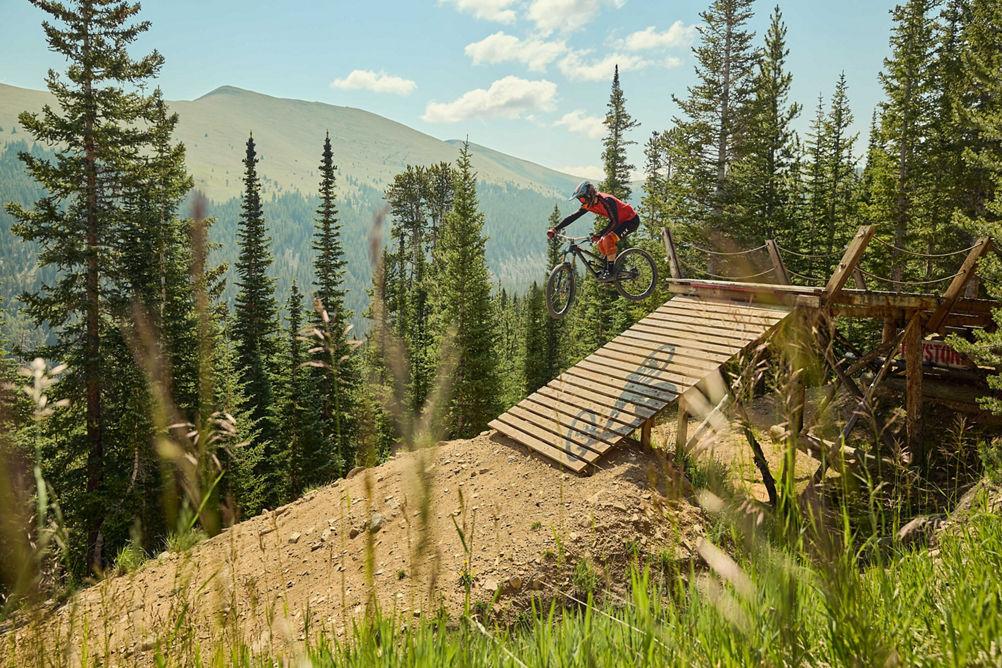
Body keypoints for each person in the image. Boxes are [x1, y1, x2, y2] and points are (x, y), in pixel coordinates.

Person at [547, 181, 640, 280]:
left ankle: (611, 272)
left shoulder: (606, 200)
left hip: (630, 220)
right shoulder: (589, 204)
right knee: (600, 243)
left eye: (583, 199)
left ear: (589, 195)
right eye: (580, 200)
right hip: (619, 221)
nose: (582, 202)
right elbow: (573, 217)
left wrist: (599, 234)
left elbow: (614, 221)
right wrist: (555, 229)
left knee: (608, 240)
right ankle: (610, 268)